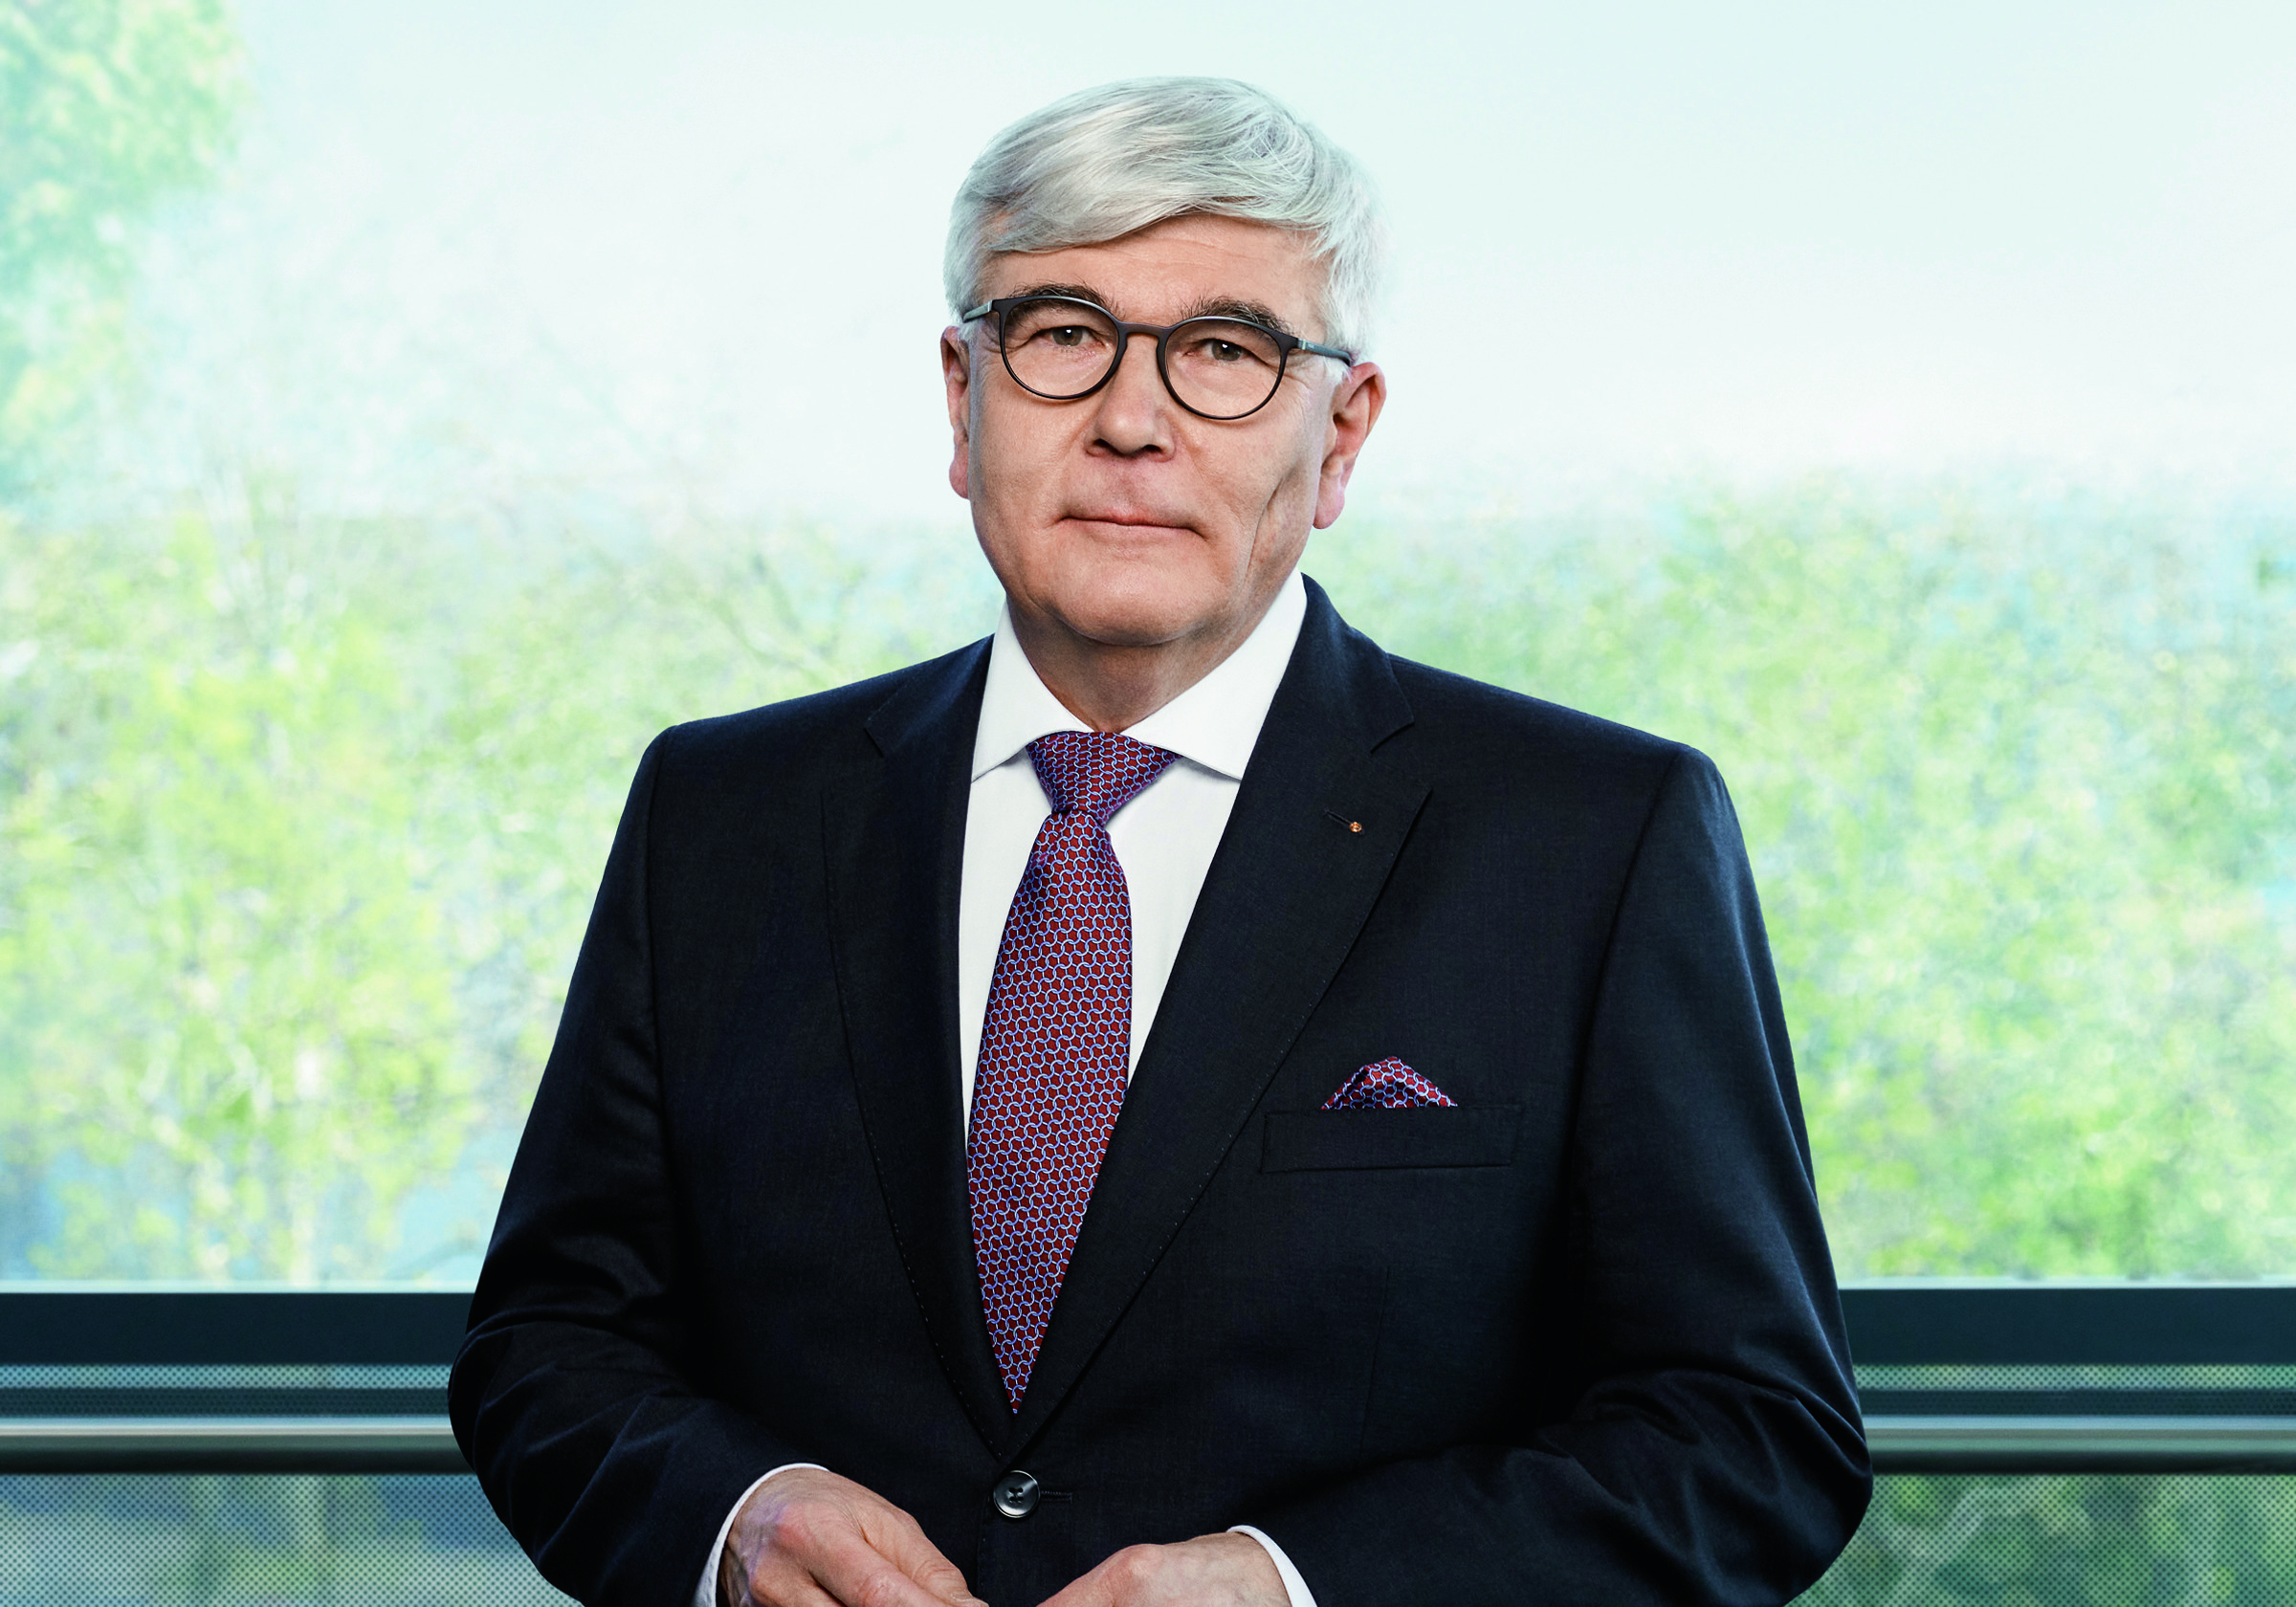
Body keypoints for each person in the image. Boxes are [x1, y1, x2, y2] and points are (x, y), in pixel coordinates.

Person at [451, 77, 1870, 1607]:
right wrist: (734, 1514)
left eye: (1225, 354)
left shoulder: (1595, 839)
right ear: (962, 400)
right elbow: (550, 1345)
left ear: (1342, 436)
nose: (1132, 422)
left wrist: (1294, 1588)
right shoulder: (721, 814)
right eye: (1063, 335)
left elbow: (1752, 1437)